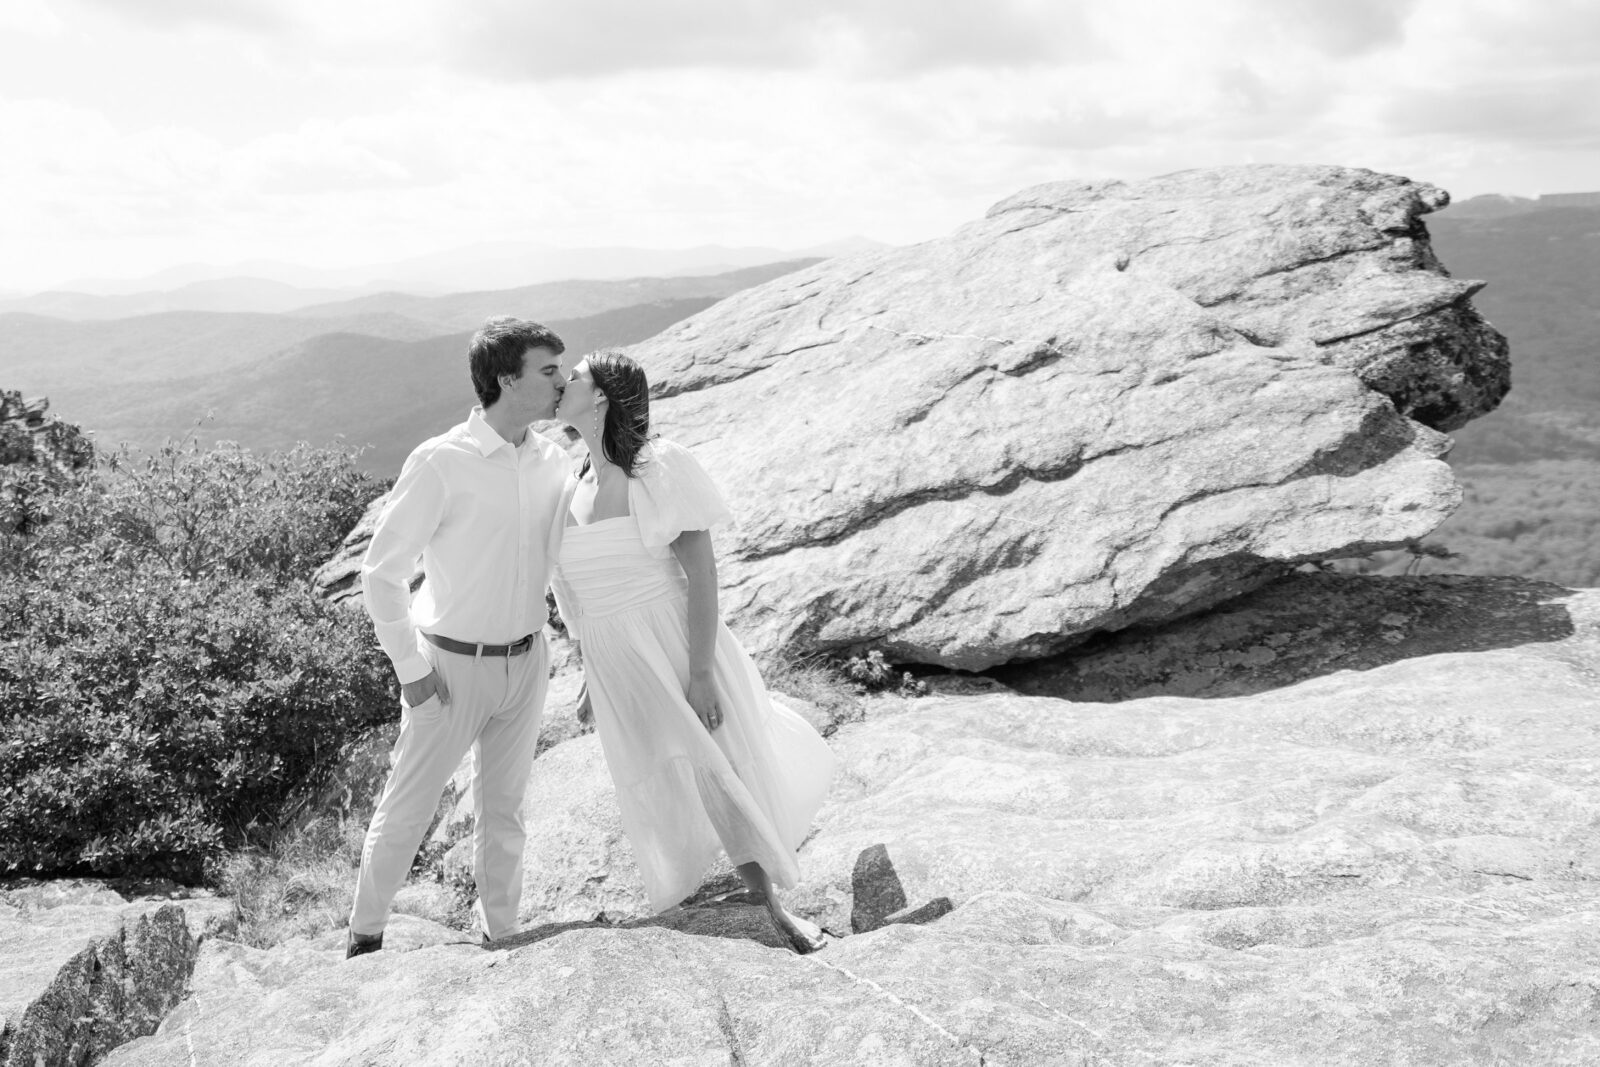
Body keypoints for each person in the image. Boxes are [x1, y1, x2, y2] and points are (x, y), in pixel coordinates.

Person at [550, 349, 835, 954]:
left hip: (676, 643)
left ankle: (770, 906)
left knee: (719, 764)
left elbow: (701, 576)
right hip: (616, 658)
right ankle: (693, 886)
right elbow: (581, 590)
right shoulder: (570, 482)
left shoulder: (660, 466)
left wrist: (701, 672)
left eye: (571, 377)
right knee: (655, 770)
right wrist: (587, 670)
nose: (560, 384)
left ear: (600, 396)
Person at [346, 317, 570, 958]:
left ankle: (501, 937)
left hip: (528, 662)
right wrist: (410, 670)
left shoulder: (552, 458)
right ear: (507, 379)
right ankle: (365, 937)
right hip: (448, 666)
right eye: (548, 371)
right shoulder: (443, 461)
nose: (563, 381)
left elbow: (560, 563)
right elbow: (381, 573)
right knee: (410, 807)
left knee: (506, 812)